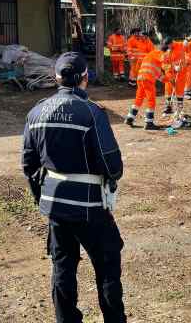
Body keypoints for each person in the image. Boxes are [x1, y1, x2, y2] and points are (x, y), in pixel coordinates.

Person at [22, 52, 126, 323]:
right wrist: (111, 179)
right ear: (84, 78)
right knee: (107, 267)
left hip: (55, 207)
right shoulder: (92, 113)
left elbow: (29, 164)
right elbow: (112, 164)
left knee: (63, 267)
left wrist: (42, 199)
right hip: (91, 208)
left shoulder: (36, 112)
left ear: (56, 78)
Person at [124, 39, 171, 130]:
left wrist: (168, 79)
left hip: (141, 78)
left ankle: (130, 118)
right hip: (147, 79)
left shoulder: (152, 58)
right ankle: (149, 123)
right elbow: (164, 59)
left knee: (139, 98)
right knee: (151, 100)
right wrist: (171, 63)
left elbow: (159, 75)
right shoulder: (158, 53)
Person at [162, 38, 187, 116]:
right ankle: (168, 107)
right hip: (169, 74)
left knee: (179, 92)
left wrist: (187, 44)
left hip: (180, 74)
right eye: (167, 46)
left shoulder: (180, 45)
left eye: (169, 45)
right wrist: (173, 67)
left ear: (172, 42)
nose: (169, 47)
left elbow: (190, 48)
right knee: (168, 92)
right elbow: (163, 65)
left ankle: (180, 109)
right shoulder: (165, 52)